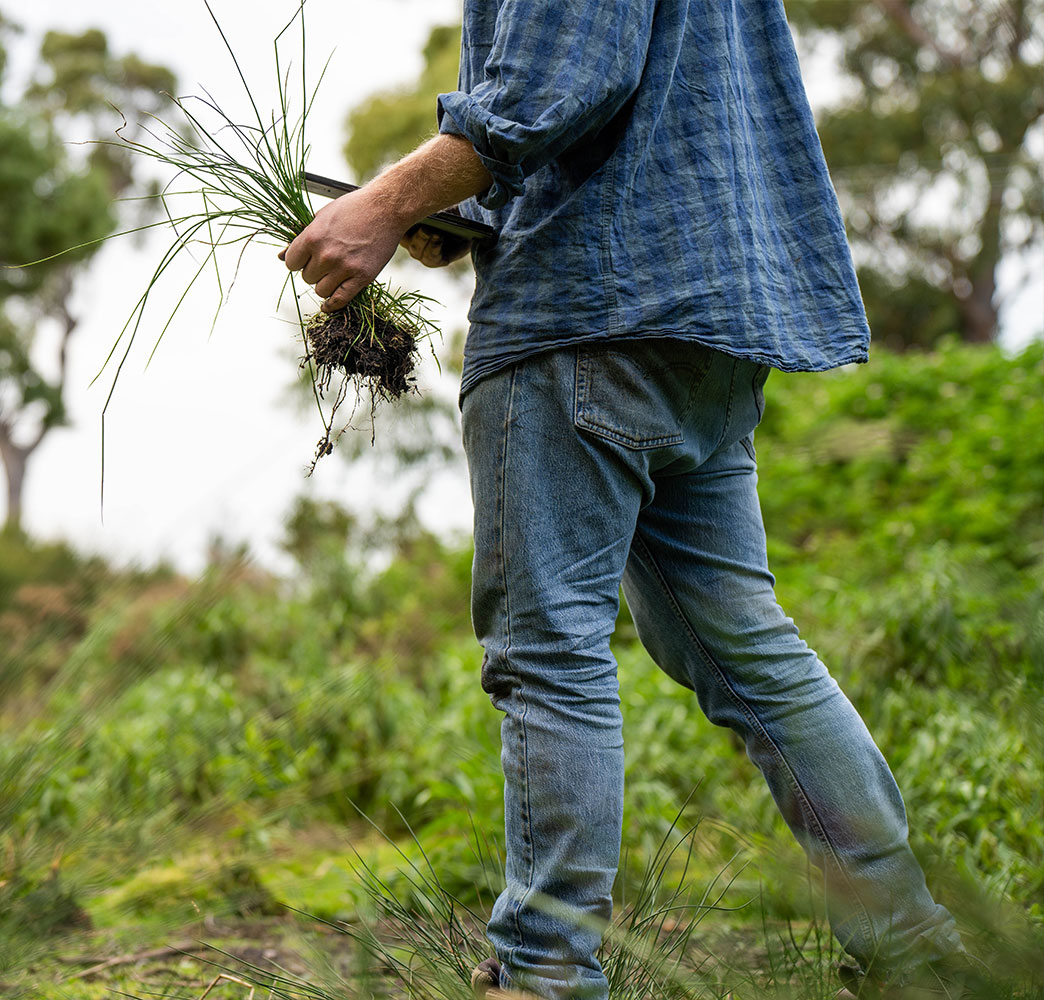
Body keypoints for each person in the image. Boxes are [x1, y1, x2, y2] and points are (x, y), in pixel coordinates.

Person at [279, 2, 968, 998]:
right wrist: (469, 208)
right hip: (708, 321)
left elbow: (550, 82)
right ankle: (912, 942)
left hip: (585, 316)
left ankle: (542, 971)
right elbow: (619, 99)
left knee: (550, 652)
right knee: (744, 643)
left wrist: (383, 202)